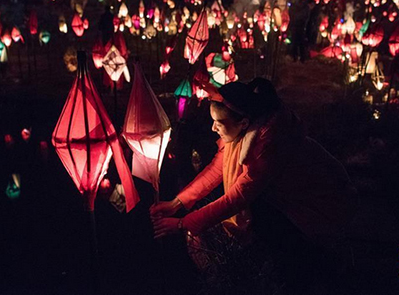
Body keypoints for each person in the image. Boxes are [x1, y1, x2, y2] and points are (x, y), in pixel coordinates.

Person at [151, 79, 358, 291]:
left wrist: (182, 224)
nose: (213, 128)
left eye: (219, 123)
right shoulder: (245, 132)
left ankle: (304, 272)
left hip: (322, 204)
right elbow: (216, 170)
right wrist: (177, 203)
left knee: (262, 215)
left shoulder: (269, 145)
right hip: (290, 197)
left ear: (243, 123)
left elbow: (238, 197)